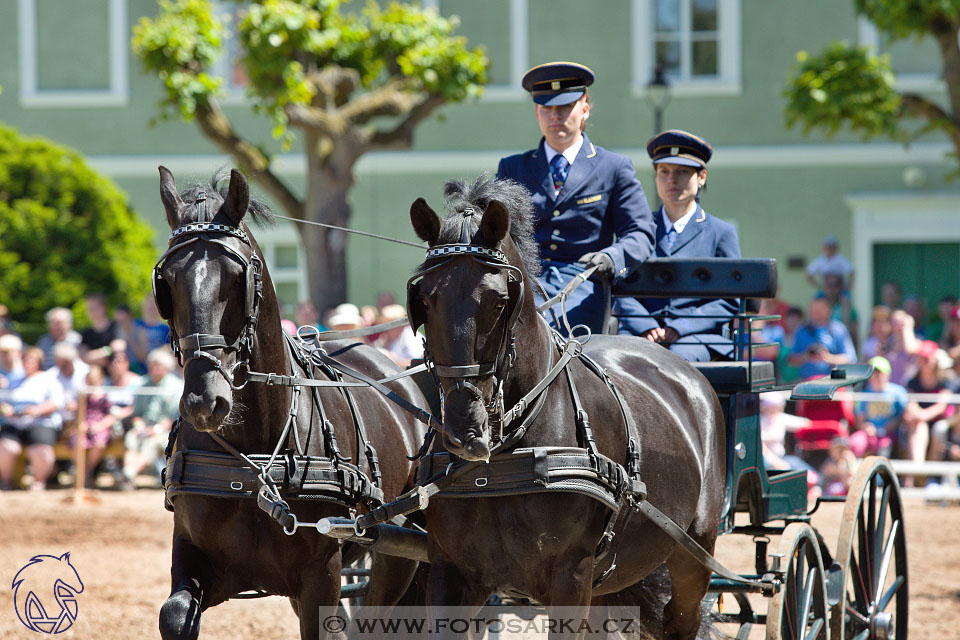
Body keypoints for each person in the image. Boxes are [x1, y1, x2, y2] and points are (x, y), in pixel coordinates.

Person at [496, 61, 655, 334]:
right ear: (537, 112)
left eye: (565, 107)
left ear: (585, 108)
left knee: (556, 332)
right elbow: (497, 232)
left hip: (584, 281)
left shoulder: (613, 167)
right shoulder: (513, 168)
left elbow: (641, 232)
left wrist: (612, 256)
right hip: (527, 281)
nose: (555, 116)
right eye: (547, 108)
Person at [616, 130, 741, 361]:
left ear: (701, 176)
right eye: (664, 172)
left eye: (682, 172)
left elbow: (728, 299)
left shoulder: (721, 233)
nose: (671, 180)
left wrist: (681, 327)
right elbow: (619, 287)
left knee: (676, 359)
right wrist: (645, 324)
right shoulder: (638, 230)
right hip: (640, 333)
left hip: (697, 336)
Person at [0, 347, 64, 490]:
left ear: (38, 362)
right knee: (6, 446)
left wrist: (37, 410)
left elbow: (57, 402)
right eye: (25, 360)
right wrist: (6, 408)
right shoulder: (14, 379)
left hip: (41, 422)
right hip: (15, 423)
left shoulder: (48, 379)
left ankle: (39, 481)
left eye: (31, 360)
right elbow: (4, 400)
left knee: (40, 448)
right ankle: (6, 482)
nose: (27, 363)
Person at [121, 348, 182, 488]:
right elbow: (136, 414)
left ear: (166, 367)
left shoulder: (175, 386)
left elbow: (172, 419)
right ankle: (128, 473)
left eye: (158, 365)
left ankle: (129, 473)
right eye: (152, 364)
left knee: (151, 443)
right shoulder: (143, 384)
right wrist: (139, 427)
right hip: (143, 426)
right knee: (131, 438)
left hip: (164, 431)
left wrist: (154, 430)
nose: (154, 368)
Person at [901, 340, 954, 468]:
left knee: (937, 429)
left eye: (928, 358)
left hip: (941, 422)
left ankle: (928, 473)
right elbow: (911, 403)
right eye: (923, 358)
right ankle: (918, 469)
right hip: (919, 421)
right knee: (918, 427)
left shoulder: (945, 380)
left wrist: (922, 415)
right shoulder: (913, 381)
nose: (926, 362)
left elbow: (941, 406)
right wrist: (919, 416)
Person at [850, 356, 906, 459]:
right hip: (868, 435)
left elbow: (903, 415)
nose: (876, 376)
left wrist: (891, 426)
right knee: (855, 443)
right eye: (873, 373)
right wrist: (866, 427)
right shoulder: (863, 394)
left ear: (887, 374)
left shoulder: (898, 392)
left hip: (889, 435)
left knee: (884, 448)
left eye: (879, 372)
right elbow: (859, 421)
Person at [129, 295, 170, 375]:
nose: (151, 309)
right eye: (149, 306)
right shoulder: (135, 325)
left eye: (154, 306)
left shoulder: (165, 329)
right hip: (136, 369)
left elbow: (169, 347)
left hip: (158, 369)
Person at [374, 304, 424, 368]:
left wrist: (393, 361)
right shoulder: (387, 339)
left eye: (388, 324)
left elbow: (419, 364)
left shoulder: (411, 338)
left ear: (399, 325)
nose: (386, 329)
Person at [79, 293, 122, 367]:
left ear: (104, 308)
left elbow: (118, 348)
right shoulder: (86, 333)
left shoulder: (116, 327)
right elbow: (83, 357)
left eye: (95, 308)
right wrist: (106, 351)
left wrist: (93, 356)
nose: (92, 311)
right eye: (89, 308)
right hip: (95, 376)